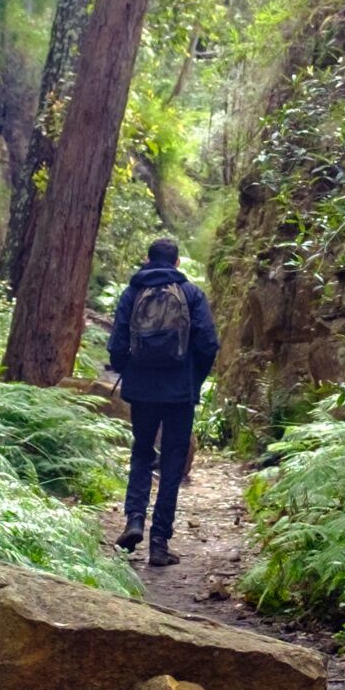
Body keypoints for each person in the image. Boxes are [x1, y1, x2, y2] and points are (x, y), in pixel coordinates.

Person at [105, 237, 217, 567]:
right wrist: (194, 379)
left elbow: (116, 346)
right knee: (172, 464)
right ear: (177, 262)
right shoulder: (192, 294)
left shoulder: (132, 292)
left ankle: (134, 520)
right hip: (180, 391)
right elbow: (209, 344)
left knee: (141, 452)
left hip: (142, 391)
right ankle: (159, 543)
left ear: (146, 259)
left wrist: (132, 371)